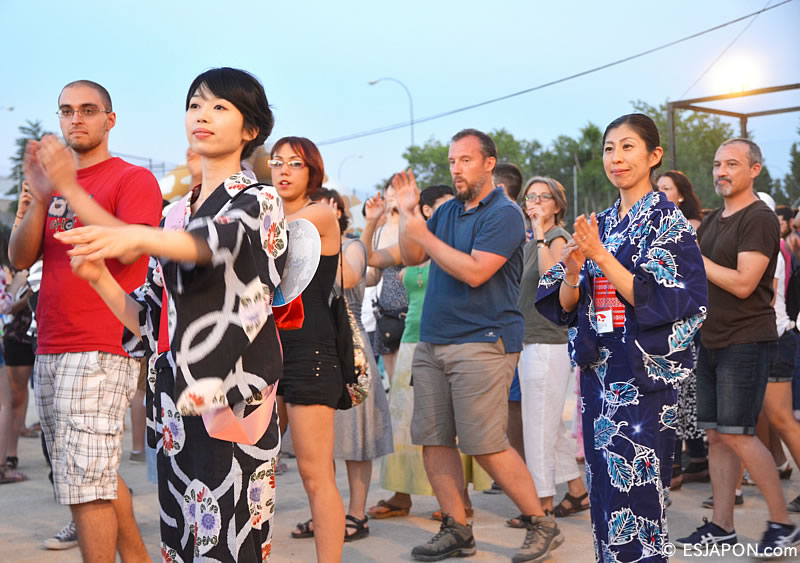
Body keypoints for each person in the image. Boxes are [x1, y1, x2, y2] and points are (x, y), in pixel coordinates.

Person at [56, 67, 287, 562]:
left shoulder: (260, 200)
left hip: (232, 401)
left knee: (230, 546)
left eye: (219, 107)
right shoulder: (175, 213)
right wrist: (98, 278)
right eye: (195, 105)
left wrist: (136, 235)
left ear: (250, 129)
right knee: (180, 544)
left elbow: (214, 243)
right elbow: (148, 319)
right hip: (175, 405)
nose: (202, 115)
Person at [536, 113, 708, 563]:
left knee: (639, 495)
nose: (616, 157)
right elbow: (565, 304)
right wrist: (573, 271)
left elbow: (665, 297)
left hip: (642, 377)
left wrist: (600, 255)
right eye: (609, 148)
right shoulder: (603, 221)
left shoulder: (668, 220)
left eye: (628, 146)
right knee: (606, 495)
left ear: (654, 156)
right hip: (599, 379)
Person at [9, 79, 161, 559]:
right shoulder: (50, 186)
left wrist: (69, 189)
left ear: (109, 120)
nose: (76, 118)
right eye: (67, 110)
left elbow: (133, 246)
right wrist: (39, 197)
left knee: (86, 485)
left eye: (88, 110)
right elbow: (19, 257)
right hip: (50, 342)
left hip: (103, 343)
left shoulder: (132, 179)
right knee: (90, 474)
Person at [395, 128, 559, 563]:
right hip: (434, 340)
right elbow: (411, 257)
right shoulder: (448, 211)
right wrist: (408, 215)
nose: (456, 168)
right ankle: (457, 528)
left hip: (483, 341)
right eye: (452, 161)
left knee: (485, 443)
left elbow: (474, 272)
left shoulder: (505, 214)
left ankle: (541, 522)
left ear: (489, 163)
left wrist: (424, 236)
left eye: (465, 160)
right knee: (433, 440)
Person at [676, 138, 800, 555]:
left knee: (740, 435)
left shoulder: (759, 218)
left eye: (732, 164)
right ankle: (722, 526)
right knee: (716, 436)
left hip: (745, 340)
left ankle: (782, 524)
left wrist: (696, 262)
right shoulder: (714, 220)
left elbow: (745, 283)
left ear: (754, 170)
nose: (721, 171)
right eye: (717, 164)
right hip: (711, 339)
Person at [369, 184, 492, 520]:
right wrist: (374, 222)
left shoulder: (459, 245)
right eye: (445, 207)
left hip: (451, 339)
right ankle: (401, 495)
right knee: (404, 421)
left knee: (449, 424)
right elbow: (372, 260)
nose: (454, 213)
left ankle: (458, 499)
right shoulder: (414, 246)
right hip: (412, 340)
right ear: (425, 211)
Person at [294, 187, 393, 542]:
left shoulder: (351, 246)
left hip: (347, 347)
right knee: (320, 446)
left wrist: (334, 239)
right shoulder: (297, 246)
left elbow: (350, 278)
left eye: (319, 208)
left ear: (337, 211)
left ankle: (357, 514)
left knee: (354, 439)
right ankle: (325, 513)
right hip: (309, 346)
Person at [271, 137, 346, 562]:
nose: (283, 170)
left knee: (315, 475)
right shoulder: (265, 212)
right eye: (276, 162)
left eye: (295, 163)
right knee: (252, 466)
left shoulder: (318, 213)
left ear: (312, 171)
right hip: (265, 350)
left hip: (310, 352)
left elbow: (273, 235)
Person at [516, 176, 589, 520]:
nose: (535, 202)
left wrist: (541, 233)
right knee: (550, 426)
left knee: (538, 428)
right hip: (530, 340)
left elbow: (552, 281)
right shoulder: (531, 242)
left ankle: (541, 505)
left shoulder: (557, 237)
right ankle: (577, 491)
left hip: (548, 343)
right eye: (530, 197)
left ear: (557, 205)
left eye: (543, 197)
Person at [655, 171, 709, 488]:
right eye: (657, 188)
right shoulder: (657, 224)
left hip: (687, 320)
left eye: (667, 188)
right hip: (666, 317)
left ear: (681, 195)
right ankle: (697, 460)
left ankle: (675, 465)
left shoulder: (691, 227)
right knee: (681, 392)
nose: (660, 193)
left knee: (681, 391)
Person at [361, 181, 407, 383]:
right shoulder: (380, 232)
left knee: (408, 380)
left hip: (411, 310)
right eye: (390, 194)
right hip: (386, 312)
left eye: (397, 193)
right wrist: (352, 282)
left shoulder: (413, 227)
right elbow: (374, 274)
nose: (393, 198)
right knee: (394, 381)